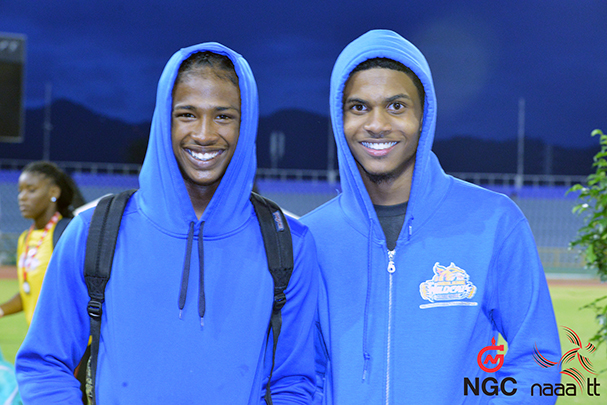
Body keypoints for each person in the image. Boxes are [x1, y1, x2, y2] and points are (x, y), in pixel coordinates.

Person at [15, 43, 318, 404]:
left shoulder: (289, 243)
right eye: (187, 114)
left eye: (223, 116)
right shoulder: (94, 231)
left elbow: (294, 382)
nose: (204, 134)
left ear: (246, 123)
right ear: (164, 120)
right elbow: (45, 363)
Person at [302, 30, 561, 403]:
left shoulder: (494, 222)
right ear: (338, 117)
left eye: (396, 106)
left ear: (424, 116)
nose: (377, 124)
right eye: (358, 107)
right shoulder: (310, 237)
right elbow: (301, 375)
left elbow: (538, 360)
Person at [0, 161, 84, 324]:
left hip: (67, 338)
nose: (22, 197)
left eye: (31, 190)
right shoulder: (25, 238)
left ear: (54, 192)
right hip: (40, 337)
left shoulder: (67, 234)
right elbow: (29, 293)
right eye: (20, 191)